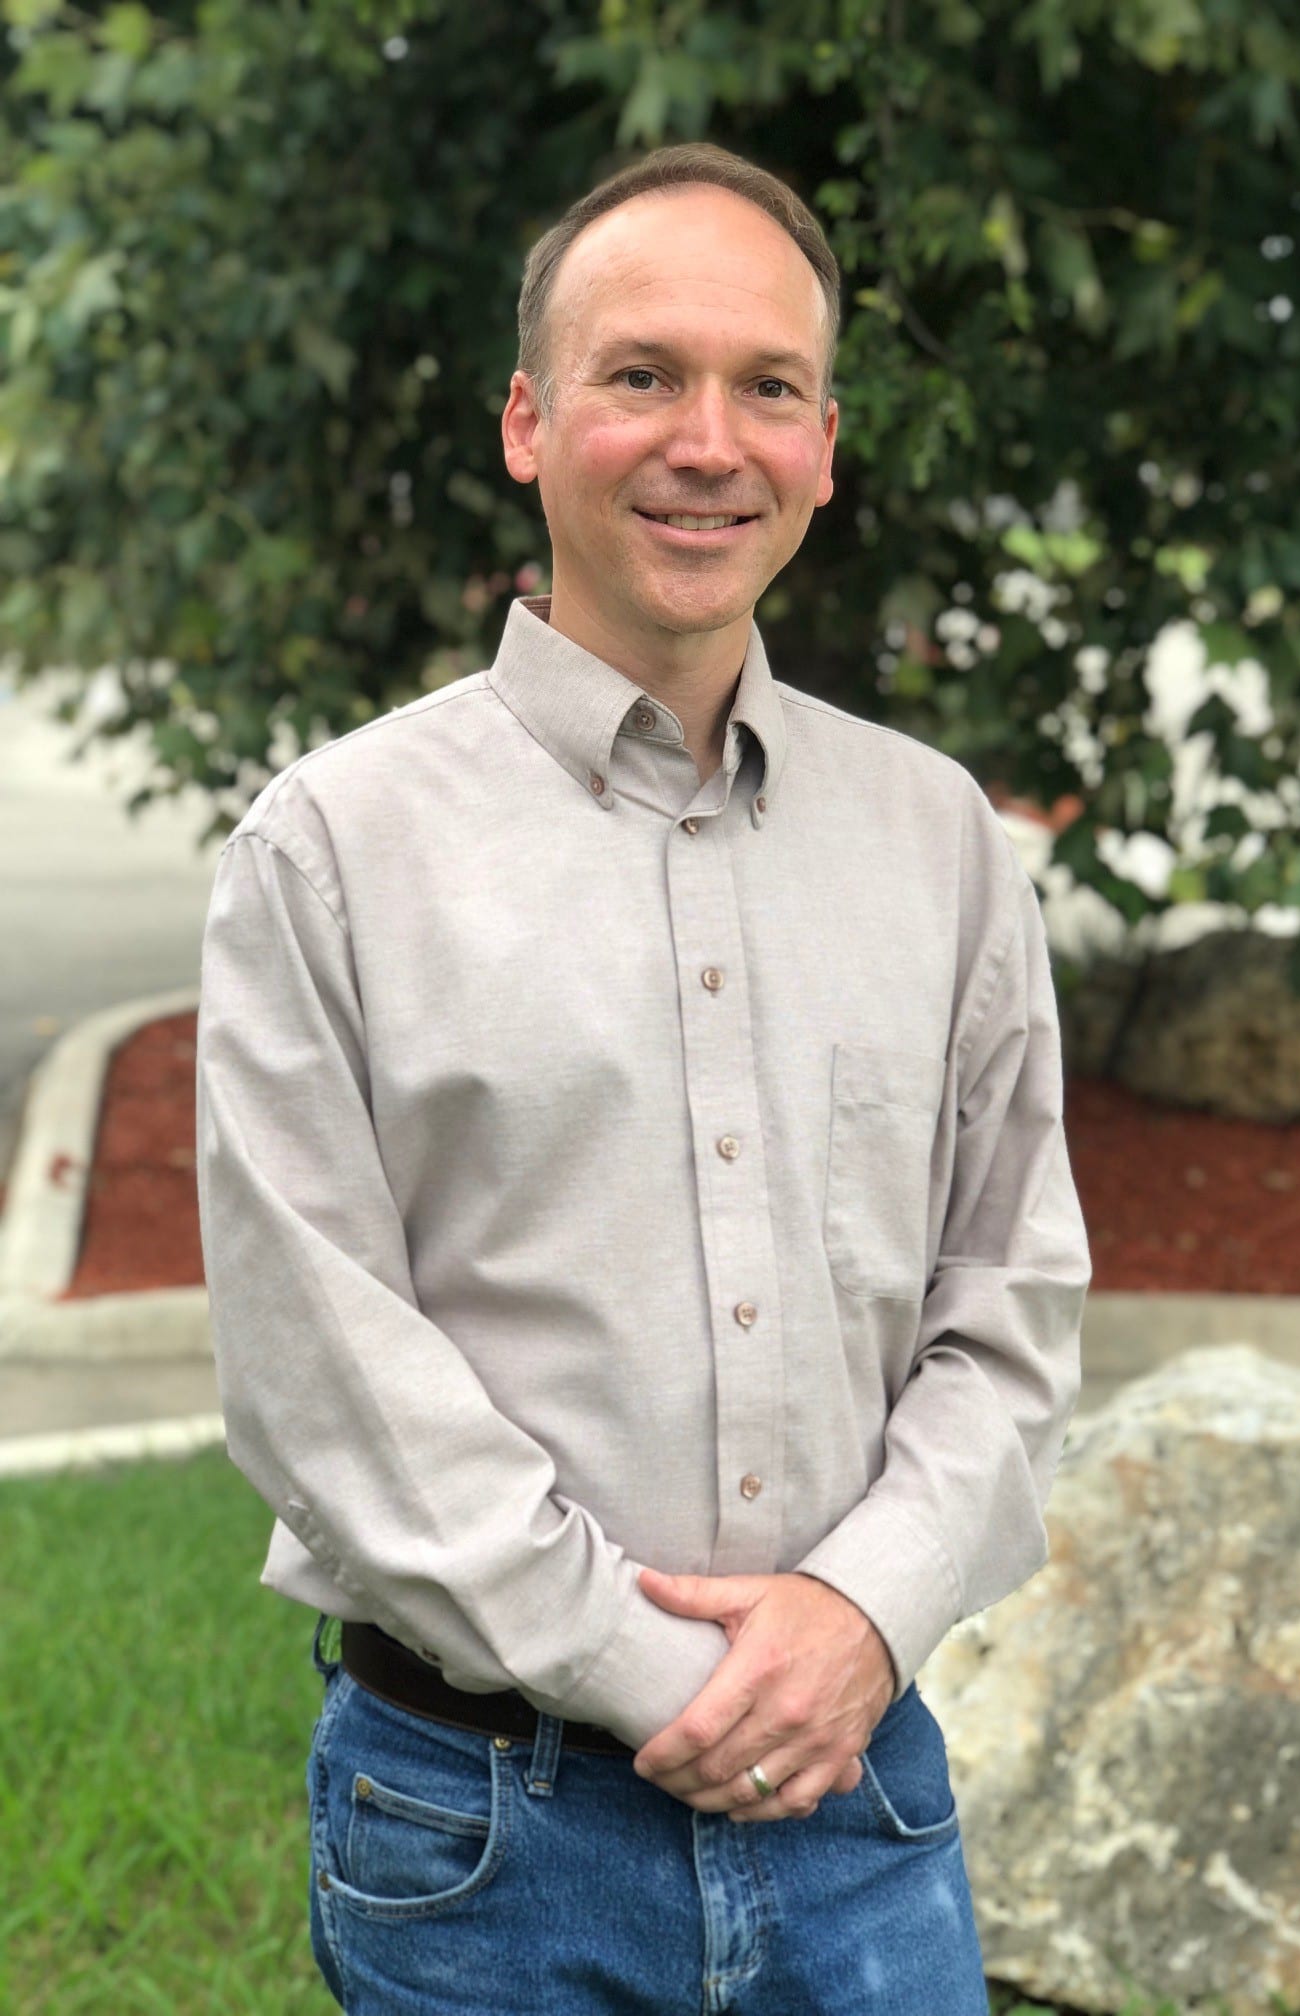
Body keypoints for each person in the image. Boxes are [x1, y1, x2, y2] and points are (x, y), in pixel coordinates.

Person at [196, 140, 1091, 2014]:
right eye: (642, 376)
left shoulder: (938, 844)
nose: (711, 440)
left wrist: (857, 1615)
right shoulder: (330, 851)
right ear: (530, 423)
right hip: (483, 1830)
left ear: (826, 443)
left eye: (767, 386)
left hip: (864, 1801)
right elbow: (323, 1369)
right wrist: (664, 1674)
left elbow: (1008, 1307)